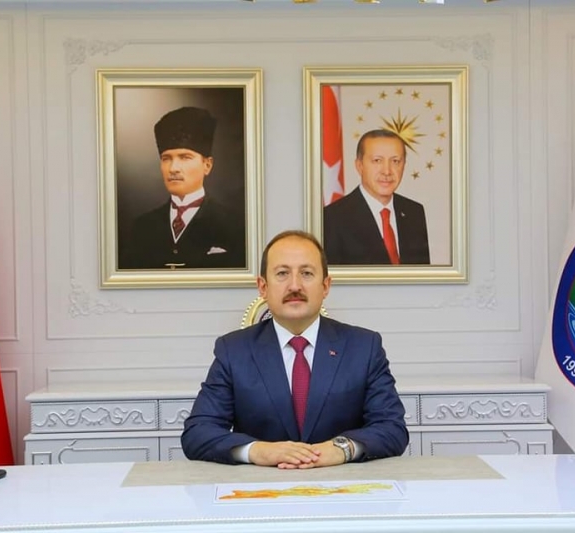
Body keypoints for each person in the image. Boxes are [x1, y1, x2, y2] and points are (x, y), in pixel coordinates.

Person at [181, 230, 408, 468]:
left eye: (306, 273)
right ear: (262, 287)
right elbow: (198, 433)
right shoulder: (233, 351)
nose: (295, 285)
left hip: (342, 483)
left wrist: (342, 449)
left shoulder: (364, 347)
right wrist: (258, 451)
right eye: (282, 273)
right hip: (261, 485)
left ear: (326, 286)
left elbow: (392, 428)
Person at [120, 106, 245, 270]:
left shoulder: (234, 225)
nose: (173, 168)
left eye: (185, 157)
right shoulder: (142, 227)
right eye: (166, 158)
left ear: (207, 165)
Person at [323, 129, 430, 265]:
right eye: (377, 160)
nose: (387, 171)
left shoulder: (414, 212)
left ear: (404, 165)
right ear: (359, 166)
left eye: (395, 161)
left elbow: (423, 275)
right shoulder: (332, 218)